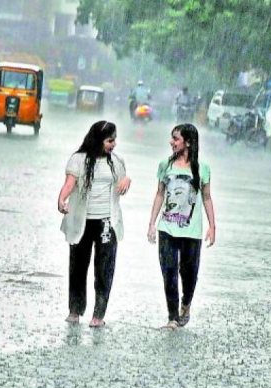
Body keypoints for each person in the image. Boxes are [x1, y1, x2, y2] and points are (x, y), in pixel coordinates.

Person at [57, 121, 131, 328]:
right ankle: (75, 310)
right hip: (82, 221)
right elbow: (69, 184)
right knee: (78, 267)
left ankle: (98, 315)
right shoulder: (78, 160)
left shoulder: (116, 161)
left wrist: (127, 181)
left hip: (107, 222)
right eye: (109, 140)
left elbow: (123, 181)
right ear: (98, 140)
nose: (113, 144)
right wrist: (61, 199)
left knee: (104, 269)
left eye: (114, 140)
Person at [146, 123, 216, 330]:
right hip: (167, 228)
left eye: (176, 139)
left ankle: (186, 303)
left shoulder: (203, 169)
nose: (171, 142)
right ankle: (172, 317)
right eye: (172, 138)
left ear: (188, 142)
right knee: (168, 271)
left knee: (189, 272)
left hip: (191, 231)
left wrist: (213, 226)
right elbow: (159, 194)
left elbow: (207, 197)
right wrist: (151, 223)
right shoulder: (164, 166)